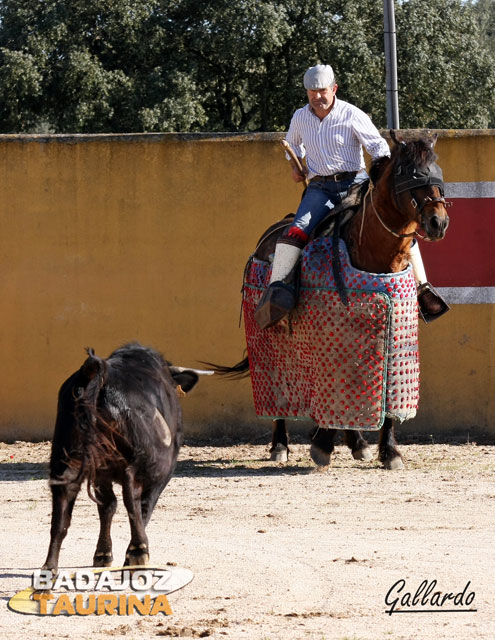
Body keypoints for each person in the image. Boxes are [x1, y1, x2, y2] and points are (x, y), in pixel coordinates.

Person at [254, 64, 449, 329]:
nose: (317, 96)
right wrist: (295, 166)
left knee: (398, 227)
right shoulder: (300, 117)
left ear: (333, 89)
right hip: (320, 188)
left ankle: (423, 289)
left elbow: (379, 149)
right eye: (312, 92)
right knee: (296, 231)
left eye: (322, 90)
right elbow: (293, 146)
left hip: (355, 183)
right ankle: (276, 292)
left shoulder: (352, 114)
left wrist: (380, 179)